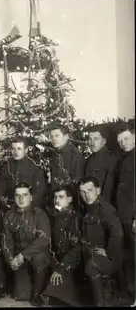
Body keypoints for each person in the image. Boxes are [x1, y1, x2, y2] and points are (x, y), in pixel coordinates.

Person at [2, 183, 51, 306]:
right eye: (17, 195)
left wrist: (22, 255)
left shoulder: (40, 214)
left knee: (39, 258)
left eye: (24, 195)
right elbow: (6, 241)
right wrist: (10, 260)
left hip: (36, 255)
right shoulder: (9, 215)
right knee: (21, 296)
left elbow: (44, 239)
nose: (21, 198)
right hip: (19, 259)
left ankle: (37, 294)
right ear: (14, 197)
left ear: (31, 197)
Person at [78, 176, 124, 306]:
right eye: (83, 192)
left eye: (90, 190)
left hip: (109, 259)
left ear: (98, 190)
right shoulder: (86, 208)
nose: (87, 195)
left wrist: (108, 252)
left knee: (92, 265)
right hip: (90, 254)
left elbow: (117, 234)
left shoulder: (105, 209)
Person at [41, 185, 83, 306]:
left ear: (70, 199)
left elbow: (77, 249)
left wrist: (61, 267)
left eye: (61, 197)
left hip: (72, 262)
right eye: (55, 197)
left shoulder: (76, 218)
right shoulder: (53, 215)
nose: (57, 200)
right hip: (56, 260)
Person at [114, 122, 135, 303]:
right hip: (123, 215)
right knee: (127, 256)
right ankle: (128, 295)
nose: (123, 143)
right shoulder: (124, 158)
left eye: (126, 138)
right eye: (120, 140)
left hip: (132, 217)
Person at [0, 137, 46, 209]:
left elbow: (40, 189)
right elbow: (1, 188)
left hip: (29, 206)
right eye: (13, 149)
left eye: (19, 149)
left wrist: (29, 200)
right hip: (10, 206)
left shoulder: (34, 166)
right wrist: (5, 200)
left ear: (26, 150)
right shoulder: (7, 166)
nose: (15, 152)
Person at [84, 125, 117, 203]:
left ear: (104, 141)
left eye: (96, 139)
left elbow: (108, 189)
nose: (92, 143)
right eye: (90, 139)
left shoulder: (110, 159)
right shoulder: (90, 159)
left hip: (101, 205)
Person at [49, 124, 85, 192]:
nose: (54, 139)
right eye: (52, 136)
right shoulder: (55, 154)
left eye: (57, 136)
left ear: (66, 137)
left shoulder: (75, 155)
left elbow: (77, 181)